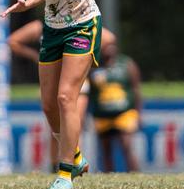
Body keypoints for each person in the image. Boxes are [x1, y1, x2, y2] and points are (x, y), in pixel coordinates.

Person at [0, 0, 101, 189]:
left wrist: (27, 3)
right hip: (54, 27)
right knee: (48, 105)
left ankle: (65, 173)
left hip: (82, 25)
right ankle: (77, 156)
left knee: (66, 97)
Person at [7, 21, 115, 172]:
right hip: (53, 79)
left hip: (77, 81)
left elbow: (109, 38)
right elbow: (13, 41)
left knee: (74, 123)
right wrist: (36, 56)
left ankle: (73, 165)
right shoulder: (42, 26)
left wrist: (87, 56)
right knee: (55, 127)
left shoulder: (78, 23)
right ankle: (55, 167)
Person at [88, 39, 142, 172]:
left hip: (124, 112)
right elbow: (88, 92)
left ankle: (135, 174)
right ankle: (108, 175)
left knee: (126, 145)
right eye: (106, 46)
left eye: (111, 46)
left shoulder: (127, 64)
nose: (109, 49)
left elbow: (136, 89)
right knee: (106, 149)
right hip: (102, 114)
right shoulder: (94, 66)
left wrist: (138, 112)